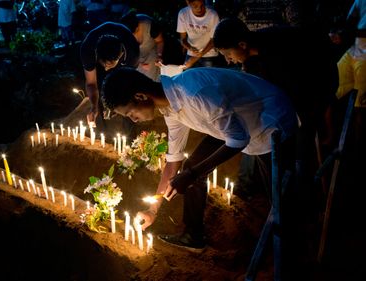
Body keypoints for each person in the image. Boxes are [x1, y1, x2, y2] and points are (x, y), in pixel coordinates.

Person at [101, 67, 298, 251]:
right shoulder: (169, 107)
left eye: (130, 113)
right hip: (232, 125)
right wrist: (153, 209)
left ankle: (292, 252)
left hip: (269, 123)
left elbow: (239, 139)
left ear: (140, 96)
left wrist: (192, 174)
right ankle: (192, 235)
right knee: (192, 165)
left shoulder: (196, 94)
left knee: (280, 198)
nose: (132, 119)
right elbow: (173, 160)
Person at [212, 17, 338, 201]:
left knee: (297, 146)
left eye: (228, 54)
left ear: (242, 44)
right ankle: (279, 194)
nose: (228, 61)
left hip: (317, 84)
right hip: (292, 92)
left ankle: (302, 196)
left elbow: (296, 91)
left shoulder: (279, 49)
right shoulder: (252, 60)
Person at [79, 21, 139, 126]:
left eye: (109, 65)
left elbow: (127, 84)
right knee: (100, 88)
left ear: (120, 55)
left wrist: (118, 105)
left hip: (124, 48)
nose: (106, 69)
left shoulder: (132, 54)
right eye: (104, 64)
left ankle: (127, 125)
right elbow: (91, 83)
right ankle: (101, 117)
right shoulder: (88, 49)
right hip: (98, 47)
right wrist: (94, 106)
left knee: (120, 93)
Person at [335, 0, 365, 156]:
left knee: (360, 105)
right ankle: (330, 136)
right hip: (354, 50)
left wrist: (348, 33)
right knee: (332, 87)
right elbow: (350, 21)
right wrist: (340, 32)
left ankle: (357, 148)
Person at [120, 10, 165, 82]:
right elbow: (124, 55)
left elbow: (160, 41)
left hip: (151, 55)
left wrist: (159, 56)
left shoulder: (150, 24)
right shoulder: (123, 32)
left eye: (134, 33)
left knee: (151, 83)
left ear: (137, 27)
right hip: (134, 60)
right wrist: (138, 64)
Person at [177, 0, 221, 69]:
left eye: (202, 5)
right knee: (189, 78)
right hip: (191, 54)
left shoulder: (212, 15)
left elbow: (213, 41)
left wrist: (195, 58)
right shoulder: (183, 13)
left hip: (209, 55)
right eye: (195, 6)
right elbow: (183, 39)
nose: (199, 9)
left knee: (206, 79)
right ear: (188, 2)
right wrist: (190, 48)